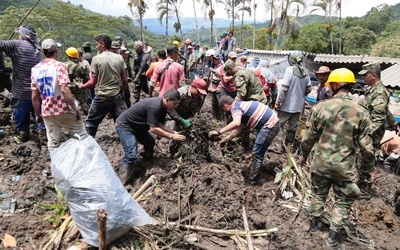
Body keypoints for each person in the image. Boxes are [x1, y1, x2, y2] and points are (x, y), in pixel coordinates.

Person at [300, 68, 375, 249]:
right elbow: (366, 148)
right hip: (344, 167)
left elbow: (308, 138)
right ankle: (333, 237)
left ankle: (313, 227)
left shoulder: (321, 107)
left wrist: (304, 155)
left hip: (321, 163)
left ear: (334, 85)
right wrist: (368, 169)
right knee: (344, 199)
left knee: (318, 194)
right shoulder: (361, 112)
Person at [115, 89, 186, 184]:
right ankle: (122, 181)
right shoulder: (155, 106)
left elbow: (160, 124)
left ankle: (147, 162)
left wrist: (174, 132)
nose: (175, 106)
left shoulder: (164, 107)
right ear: (167, 100)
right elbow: (153, 129)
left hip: (139, 127)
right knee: (131, 154)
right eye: (174, 103)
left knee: (150, 142)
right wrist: (171, 136)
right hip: (126, 126)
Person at [208, 95, 279, 184]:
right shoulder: (240, 105)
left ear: (225, 106)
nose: (225, 113)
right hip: (270, 124)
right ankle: (255, 174)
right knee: (258, 152)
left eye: (224, 110)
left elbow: (236, 123)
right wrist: (227, 138)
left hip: (269, 126)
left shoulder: (235, 108)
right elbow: (238, 129)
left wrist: (219, 132)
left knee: (257, 153)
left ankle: (253, 181)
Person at [31, 39, 86, 151]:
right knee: (82, 135)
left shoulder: (35, 69)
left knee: (53, 142)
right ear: (56, 51)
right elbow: (64, 89)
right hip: (63, 108)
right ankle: (87, 162)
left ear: (42, 51)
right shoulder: (59, 66)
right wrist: (75, 109)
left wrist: (38, 114)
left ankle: (56, 166)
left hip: (47, 111)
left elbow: (34, 96)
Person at [0, 24, 44, 141]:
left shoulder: (16, 45)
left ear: (23, 35)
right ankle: (43, 137)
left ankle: (23, 136)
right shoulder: (37, 50)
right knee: (39, 117)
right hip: (37, 92)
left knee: (21, 118)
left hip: (21, 92)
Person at [79, 34, 128, 137]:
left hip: (102, 96)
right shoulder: (119, 58)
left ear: (102, 45)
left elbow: (92, 82)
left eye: (97, 44)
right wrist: (123, 93)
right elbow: (124, 79)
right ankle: (130, 147)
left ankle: (88, 146)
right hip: (116, 95)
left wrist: (82, 86)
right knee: (124, 123)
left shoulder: (96, 59)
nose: (96, 47)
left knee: (91, 123)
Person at [275, 51, 311, 147]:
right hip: (298, 106)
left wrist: (278, 103)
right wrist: (300, 94)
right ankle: (288, 147)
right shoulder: (306, 71)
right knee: (293, 127)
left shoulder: (289, 70)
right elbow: (309, 89)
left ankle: (278, 146)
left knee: (278, 125)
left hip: (287, 105)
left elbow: (284, 89)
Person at [358, 62, 390, 155]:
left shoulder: (379, 93)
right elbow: (385, 110)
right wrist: (394, 123)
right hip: (367, 138)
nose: (363, 77)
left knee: (365, 167)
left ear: (374, 75)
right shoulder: (372, 90)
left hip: (370, 139)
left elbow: (378, 119)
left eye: (365, 75)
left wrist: (363, 134)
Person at [64, 47, 90, 115]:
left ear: (68, 56)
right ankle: (87, 115)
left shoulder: (65, 65)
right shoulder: (82, 66)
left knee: (65, 101)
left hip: (67, 87)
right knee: (83, 103)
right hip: (78, 87)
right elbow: (86, 79)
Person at [208, 53, 224, 120]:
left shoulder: (222, 67)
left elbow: (221, 76)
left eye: (216, 59)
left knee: (220, 104)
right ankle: (215, 117)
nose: (215, 60)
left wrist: (214, 71)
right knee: (214, 104)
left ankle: (222, 118)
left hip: (219, 87)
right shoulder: (214, 66)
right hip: (213, 86)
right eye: (214, 59)